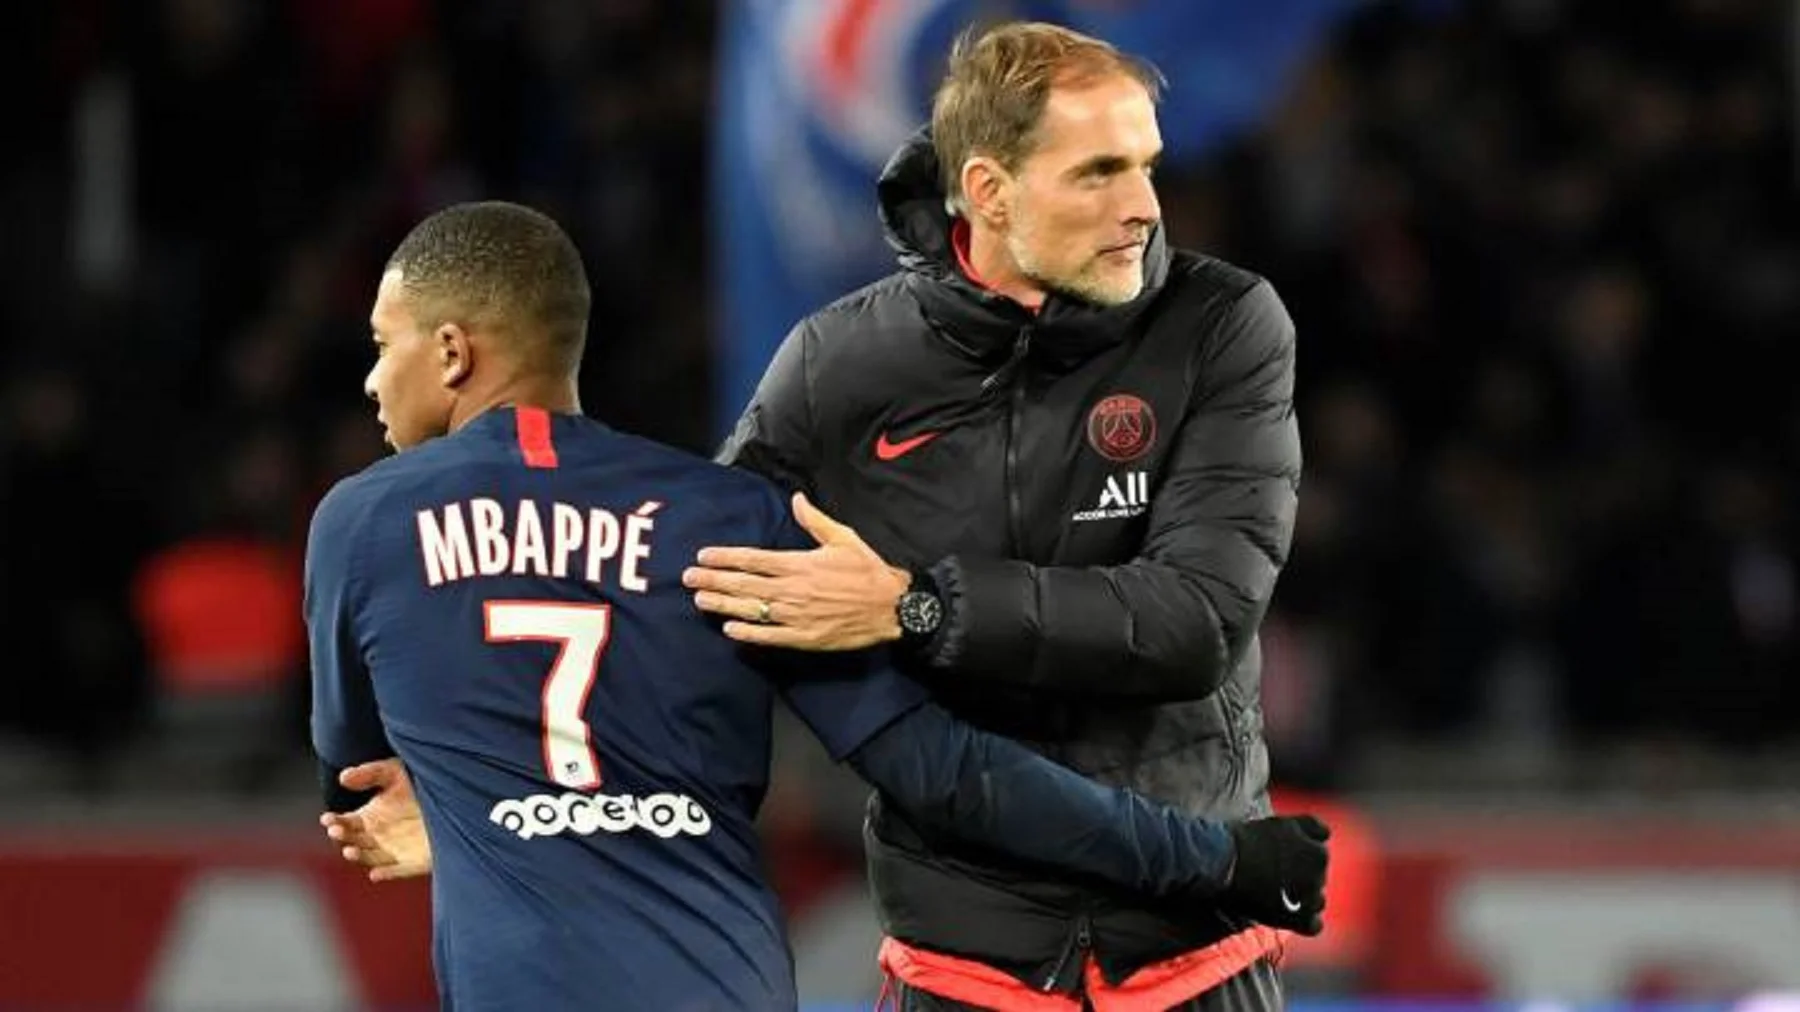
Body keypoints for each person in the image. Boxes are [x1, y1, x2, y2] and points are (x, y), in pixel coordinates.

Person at [308, 201, 1329, 1011]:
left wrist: (481, 810)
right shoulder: (727, 518)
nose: (368, 380)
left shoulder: (364, 524)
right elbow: (945, 771)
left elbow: (356, 780)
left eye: (381, 343)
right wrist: (1216, 856)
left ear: (452, 352)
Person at [688, 21, 1310, 1012]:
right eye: (1098, 173)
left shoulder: (1222, 324)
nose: (1144, 207)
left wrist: (912, 607)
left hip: (1192, 963)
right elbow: (710, 592)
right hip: (959, 968)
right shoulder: (840, 363)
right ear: (988, 191)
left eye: (1146, 166)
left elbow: (1194, 624)